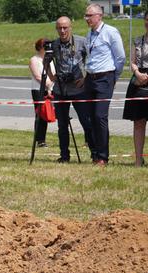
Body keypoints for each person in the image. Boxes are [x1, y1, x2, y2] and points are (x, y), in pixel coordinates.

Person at [84, 4, 125, 167]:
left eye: (90, 15)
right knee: (90, 117)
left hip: (105, 77)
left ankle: (103, 156)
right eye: (85, 16)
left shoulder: (110, 32)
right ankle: (94, 153)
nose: (87, 19)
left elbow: (120, 57)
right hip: (90, 78)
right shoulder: (89, 34)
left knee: (100, 116)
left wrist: (113, 78)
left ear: (99, 16)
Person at [50, 17, 94, 163]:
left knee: (86, 122)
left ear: (70, 27)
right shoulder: (54, 44)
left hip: (78, 89)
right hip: (60, 90)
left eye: (65, 28)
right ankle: (64, 156)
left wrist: (85, 78)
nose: (62, 31)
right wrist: (52, 76)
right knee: (62, 125)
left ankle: (95, 154)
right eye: (59, 28)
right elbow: (45, 61)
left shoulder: (81, 42)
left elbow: (93, 59)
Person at [122, 15, 148, 167]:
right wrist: (138, 73)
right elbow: (132, 62)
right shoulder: (138, 40)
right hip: (138, 83)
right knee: (138, 123)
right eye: (147, 20)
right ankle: (138, 159)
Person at [29, 38, 54, 149]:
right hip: (39, 89)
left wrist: (52, 86)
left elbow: (54, 73)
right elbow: (38, 76)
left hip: (52, 88)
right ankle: (40, 140)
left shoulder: (51, 60)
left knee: (51, 113)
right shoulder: (34, 60)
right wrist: (48, 85)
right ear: (40, 47)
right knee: (41, 115)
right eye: (46, 46)